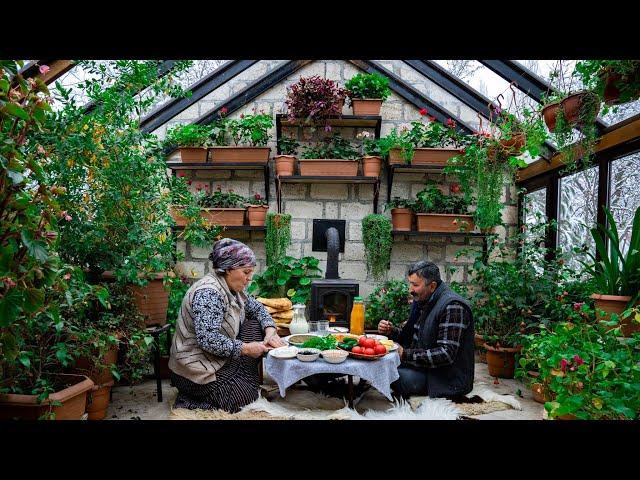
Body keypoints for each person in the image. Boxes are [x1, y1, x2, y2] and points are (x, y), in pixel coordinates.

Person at [169, 238, 286, 413]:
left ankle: (241, 384)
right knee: (246, 400)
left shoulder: (234, 289)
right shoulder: (209, 293)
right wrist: (246, 348)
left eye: (251, 272)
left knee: (255, 325)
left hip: (217, 360)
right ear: (228, 269)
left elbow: (258, 309)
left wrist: (270, 331)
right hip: (194, 370)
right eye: (246, 272)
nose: (249, 278)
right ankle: (190, 399)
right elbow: (208, 339)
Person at [378, 260, 474, 400]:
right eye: (410, 283)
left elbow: (445, 354)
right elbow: (416, 337)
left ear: (432, 286)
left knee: (387, 374)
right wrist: (391, 332)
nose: (410, 289)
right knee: (380, 366)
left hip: (445, 379)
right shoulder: (424, 299)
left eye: (415, 285)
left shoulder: (453, 306)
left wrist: (405, 354)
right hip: (423, 367)